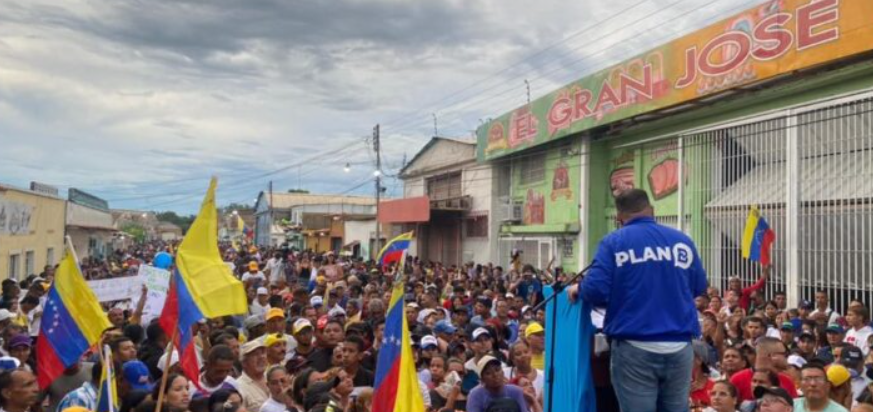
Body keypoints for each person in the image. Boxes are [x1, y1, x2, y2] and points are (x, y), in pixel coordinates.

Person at [568, 189, 708, 412]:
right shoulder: (682, 241)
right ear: (652, 211)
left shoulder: (613, 242)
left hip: (634, 348)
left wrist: (579, 288)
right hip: (680, 346)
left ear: (618, 218)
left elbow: (596, 291)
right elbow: (699, 286)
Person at [731, 338, 798, 402]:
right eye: (784, 354)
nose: (787, 357)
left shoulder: (787, 381)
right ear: (771, 356)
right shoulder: (737, 379)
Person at [236, 340, 269, 412]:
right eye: (255, 354)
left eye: (263, 353)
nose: (261, 357)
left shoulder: (273, 377)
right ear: (244, 363)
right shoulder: (239, 386)